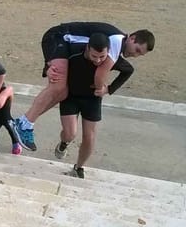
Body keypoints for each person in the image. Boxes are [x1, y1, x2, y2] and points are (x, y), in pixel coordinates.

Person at [10, 22, 155, 151]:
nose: (134, 55)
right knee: (58, 85)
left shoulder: (116, 42)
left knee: (63, 93)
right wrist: (101, 89)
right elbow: (99, 75)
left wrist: (109, 89)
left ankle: (24, 122)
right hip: (57, 37)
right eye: (136, 50)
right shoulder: (117, 41)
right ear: (132, 38)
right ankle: (24, 124)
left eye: (139, 55)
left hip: (65, 45)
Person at [53, 33, 135, 178]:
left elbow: (128, 70)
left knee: (89, 137)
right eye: (94, 56)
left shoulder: (112, 59)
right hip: (70, 96)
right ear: (87, 48)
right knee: (70, 133)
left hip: (92, 99)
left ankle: (78, 167)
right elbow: (55, 60)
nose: (98, 60)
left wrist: (109, 89)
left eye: (102, 57)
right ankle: (64, 142)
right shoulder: (74, 52)